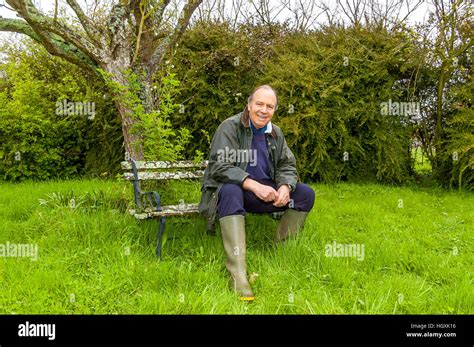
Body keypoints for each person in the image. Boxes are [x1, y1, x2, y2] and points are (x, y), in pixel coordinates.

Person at [198, 85, 315, 301]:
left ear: (275, 110)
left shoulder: (275, 133)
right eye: (259, 104)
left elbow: (287, 166)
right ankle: (238, 274)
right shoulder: (230, 127)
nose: (263, 110)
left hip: (265, 194)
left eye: (269, 106)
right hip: (233, 193)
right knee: (232, 190)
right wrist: (251, 184)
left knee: (306, 193)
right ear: (249, 105)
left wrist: (285, 187)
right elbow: (219, 166)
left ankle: (281, 251)